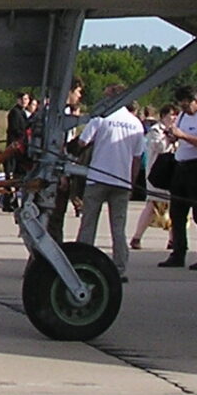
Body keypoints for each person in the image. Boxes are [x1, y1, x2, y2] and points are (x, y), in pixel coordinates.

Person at [75, 86, 144, 280]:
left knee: (88, 224)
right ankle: (120, 267)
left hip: (98, 178)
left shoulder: (101, 118)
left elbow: (82, 142)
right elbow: (137, 158)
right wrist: (132, 182)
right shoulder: (136, 124)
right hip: (121, 181)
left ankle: (82, 261)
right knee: (118, 227)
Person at [158, 86, 197, 270]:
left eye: (186, 103)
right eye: (181, 104)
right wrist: (173, 137)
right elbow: (180, 137)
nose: (184, 108)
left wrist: (183, 135)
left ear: (195, 100)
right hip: (181, 166)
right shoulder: (184, 116)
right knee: (177, 214)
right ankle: (178, 253)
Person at [131, 104, 177, 250]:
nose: (174, 118)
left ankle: (173, 239)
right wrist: (170, 138)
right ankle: (137, 237)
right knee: (152, 205)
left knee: (174, 206)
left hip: (172, 173)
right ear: (163, 116)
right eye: (171, 115)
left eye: (176, 115)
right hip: (157, 174)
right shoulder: (155, 130)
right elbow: (160, 148)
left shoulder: (176, 131)